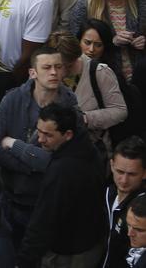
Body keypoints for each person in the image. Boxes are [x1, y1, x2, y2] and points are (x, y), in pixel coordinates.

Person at [0, 47, 80, 247]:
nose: (53, 72)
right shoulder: (12, 99)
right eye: (47, 67)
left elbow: (60, 162)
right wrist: (29, 165)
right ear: (33, 72)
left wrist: (15, 145)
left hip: (47, 203)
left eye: (58, 67)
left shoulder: (70, 109)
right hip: (10, 197)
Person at [16, 103, 106, 266]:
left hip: (67, 253)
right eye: (39, 131)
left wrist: (24, 259)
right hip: (90, 242)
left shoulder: (62, 170)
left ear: (68, 134)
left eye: (48, 135)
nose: (40, 139)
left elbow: (44, 219)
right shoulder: (90, 150)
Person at [68, 0, 146, 87]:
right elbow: (76, 44)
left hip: (139, 78)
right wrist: (111, 41)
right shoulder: (85, 6)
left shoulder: (140, 0)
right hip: (104, 79)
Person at [54, 29, 127, 153]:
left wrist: (86, 118)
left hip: (91, 149)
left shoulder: (99, 72)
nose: (61, 72)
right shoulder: (45, 71)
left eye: (69, 66)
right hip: (56, 149)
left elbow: (120, 111)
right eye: (58, 66)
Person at [105, 137, 146, 268]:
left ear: (144, 173)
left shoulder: (141, 211)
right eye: (119, 172)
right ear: (111, 165)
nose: (124, 180)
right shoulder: (107, 194)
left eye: (132, 174)